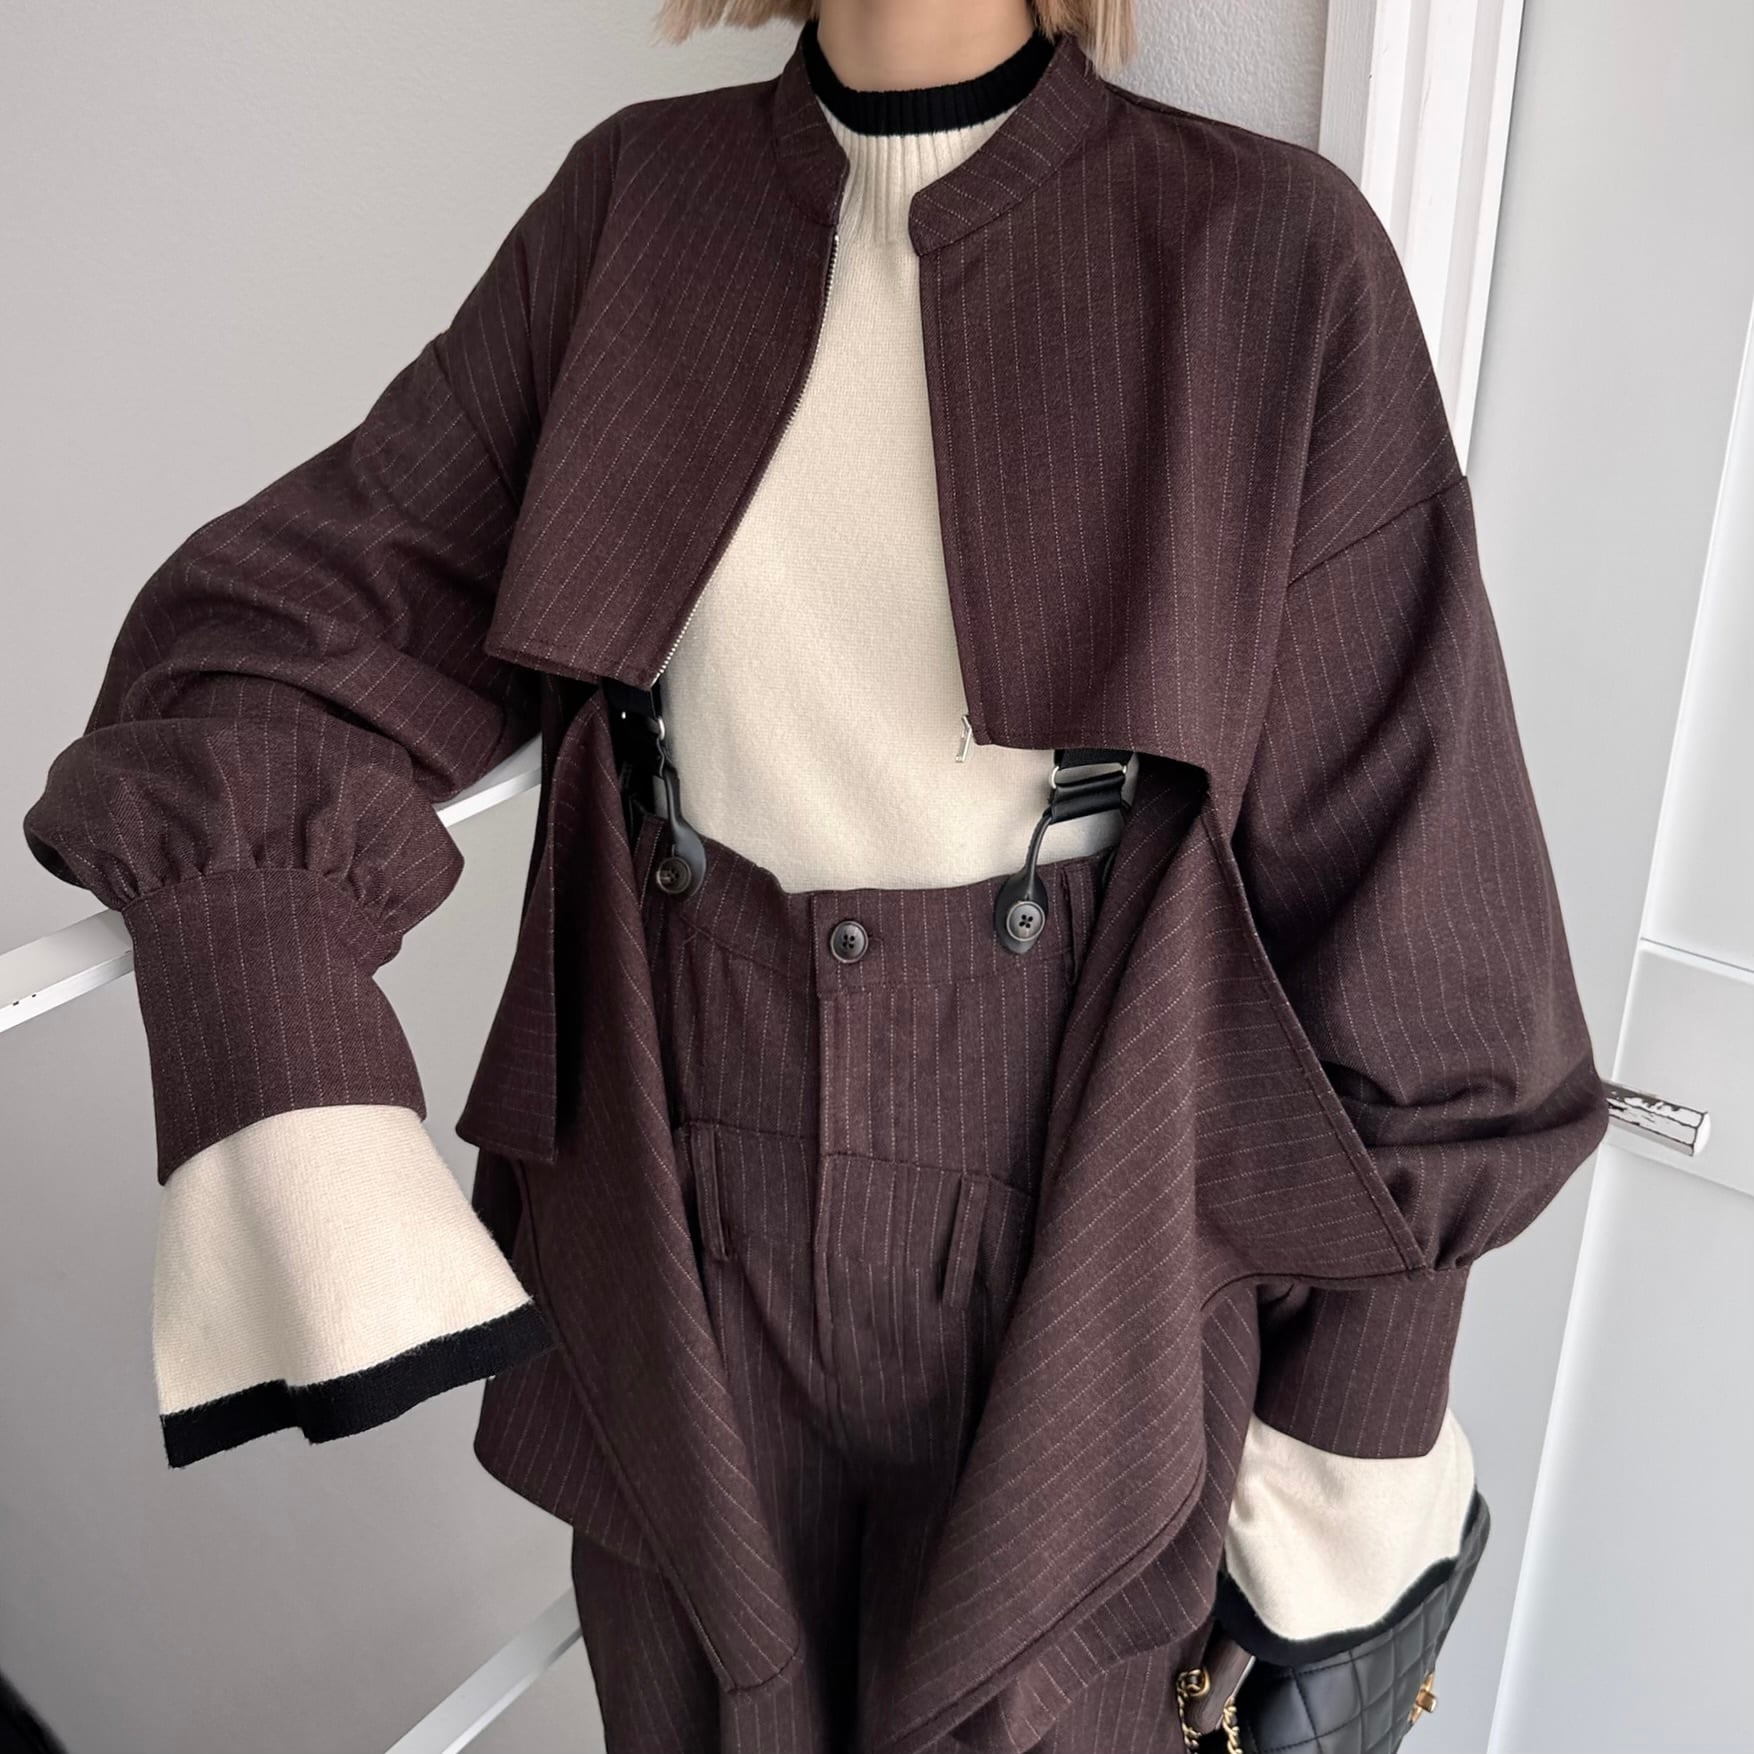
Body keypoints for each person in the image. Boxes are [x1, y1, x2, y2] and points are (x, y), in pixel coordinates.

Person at [21, 2, 1607, 1749]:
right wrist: (289, 1042)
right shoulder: (635, 210)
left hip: (1092, 1285)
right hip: (678, 1260)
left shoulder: (1266, 256)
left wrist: (1340, 1457)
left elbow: (1428, 932)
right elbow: (271, 635)